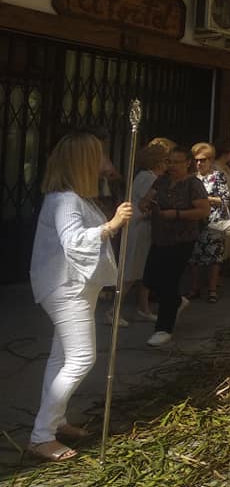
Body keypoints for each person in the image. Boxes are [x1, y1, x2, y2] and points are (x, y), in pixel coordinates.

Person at [28, 132, 133, 461]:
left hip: (75, 286)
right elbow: (74, 240)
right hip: (66, 287)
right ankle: (41, 435)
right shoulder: (65, 200)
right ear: (83, 162)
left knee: (61, 358)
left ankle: (55, 422)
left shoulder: (76, 196)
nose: (105, 162)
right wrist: (113, 224)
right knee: (81, 359)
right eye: (99, 157)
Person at [140, 145, 210, 347]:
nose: (171, 166)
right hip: (160, 237)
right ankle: (176, 302)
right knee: (151, 278)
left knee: (169, 281)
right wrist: (145, 205)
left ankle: (164, 328)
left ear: (187, 163)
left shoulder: (193, 184)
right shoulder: (161, 180)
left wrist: (177, 214)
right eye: (169, 161)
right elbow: (147, 198)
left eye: (176, 162)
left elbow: (203, 210)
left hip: (182, 239)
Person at [116, 140, 171, 325]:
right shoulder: (148, 178)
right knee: (132, 272)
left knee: (142, 271)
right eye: (166, 160)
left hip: (143, 228)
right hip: (138, 228)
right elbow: (148, 205)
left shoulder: (147, 177)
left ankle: (143, 308)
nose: (168, 164)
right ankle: (113, 312)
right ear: (157, 161)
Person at [187, 142, 230, 303]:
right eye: (197, 160)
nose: (199, 163)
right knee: (194, 257)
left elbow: (225, 199)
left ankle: (212, 290)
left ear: (210, 160)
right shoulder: (191, 177)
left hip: (213, 222)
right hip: (194, 222)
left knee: (214, 258)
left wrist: (206, 200)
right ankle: (194, 288)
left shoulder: (218, 176)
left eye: (203, 160)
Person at [213, 140, 230, 276]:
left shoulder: (228, 168)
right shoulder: (215, 168)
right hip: (221, 207)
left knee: (229, 241)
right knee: (220, 241)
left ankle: (228, 268)